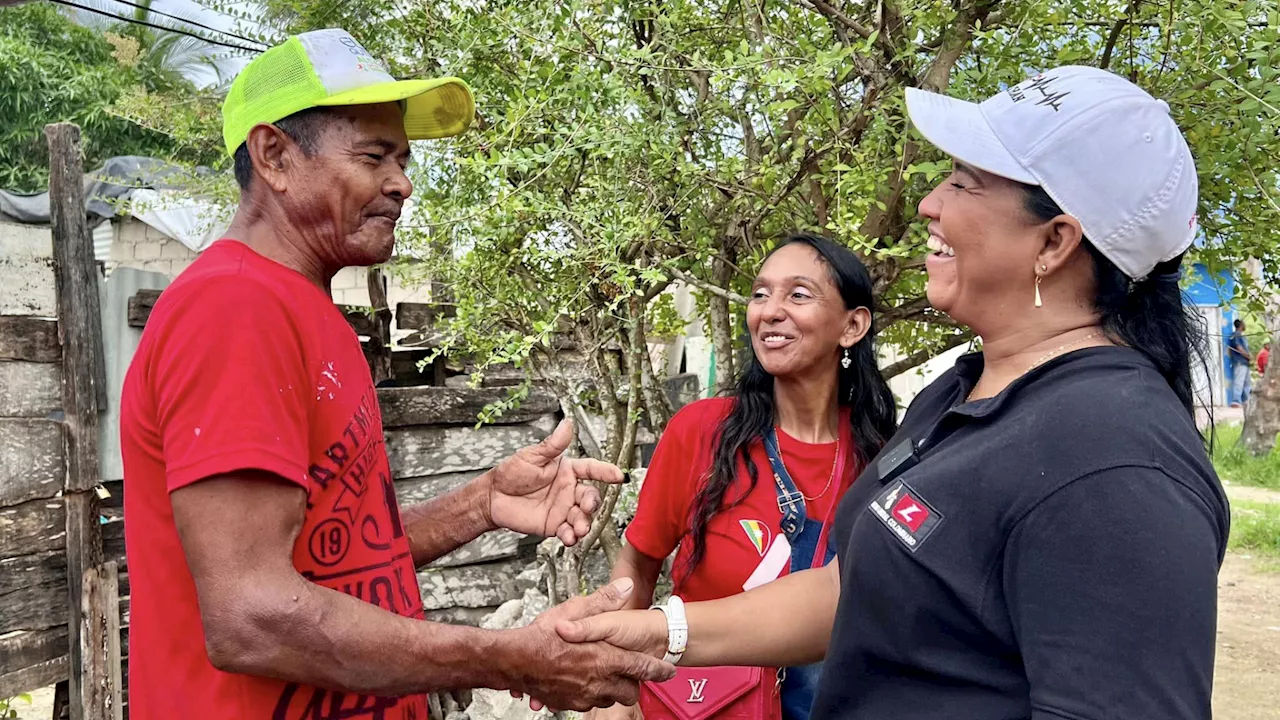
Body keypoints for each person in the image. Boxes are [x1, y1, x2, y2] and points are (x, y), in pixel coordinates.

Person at [551, 66, 1230, 720]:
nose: (931, 203)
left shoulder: (1114, 469)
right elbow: (852, 588)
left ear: (1052, 242)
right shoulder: (960, 399)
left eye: (965, 183)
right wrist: (658, 632)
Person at [120, 29, 671, 720]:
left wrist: (485, 501)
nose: (402, 183)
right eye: (375, 156)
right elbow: (252, 614)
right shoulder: (235, 307)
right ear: (275, 155)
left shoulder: (307, 309)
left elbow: (330, 558)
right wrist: (514, 658)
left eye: (404, 159)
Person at [589, 234, 897, 720]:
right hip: (701, 706)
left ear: (852, 325)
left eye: (798, 294)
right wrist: (613, 689)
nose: (770, 311)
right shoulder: (704, 432)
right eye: (760, 294)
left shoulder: (881, 460)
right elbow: (639, 562)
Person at [1228, 318, 1252, 406]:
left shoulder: (1241, 336)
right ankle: (1236, 401)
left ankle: (1247, 400)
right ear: (1241, 325)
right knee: (1239, 381)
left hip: (1245, 363)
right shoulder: (1236, 335)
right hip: (1240, 362)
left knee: (1247, 382)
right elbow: (1239, 348)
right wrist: (1247, 355)